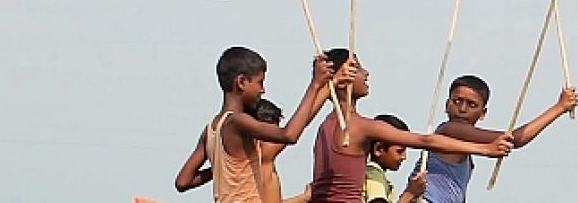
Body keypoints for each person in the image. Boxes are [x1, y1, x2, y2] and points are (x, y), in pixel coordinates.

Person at [309, 49, 513, 203]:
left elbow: (294, 134)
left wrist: (320, 85)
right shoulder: (361, 127)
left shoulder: (326, 126)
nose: (366, 73)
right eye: (357, 68)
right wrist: (485, 149)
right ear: (343, 79)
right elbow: (425, 140)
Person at [175, 46, 334, 202]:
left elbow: (183, 182)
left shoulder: (210, 129)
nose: (262, 90)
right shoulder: (238, 122)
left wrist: (219, 169)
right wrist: (315, 85)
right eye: (260, 82)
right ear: (241, 82)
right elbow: (289, 135)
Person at [413, 74, 578, 203]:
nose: (462, 109)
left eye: (471, 105)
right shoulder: (449, 129)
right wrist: (559, 107)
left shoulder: (465, 150)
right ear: (447, 104)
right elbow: (515, 139)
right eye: (457, 101)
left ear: (483, 113)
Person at [364, 115, 426, 203]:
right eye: (399, 151)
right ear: (378, 149)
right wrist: (410, 193)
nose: (404, 157)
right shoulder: (373, 173)